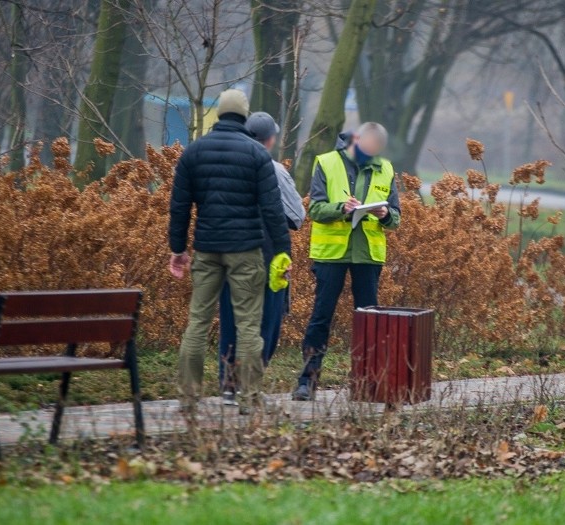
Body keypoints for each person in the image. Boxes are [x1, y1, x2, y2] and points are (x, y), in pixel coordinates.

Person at [168, 89, 291, 414]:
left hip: (207, 249)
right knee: (249, 325)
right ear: (245, 115)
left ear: (219, 114)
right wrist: (282, 252)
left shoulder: (193, 152)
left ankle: (188, 398)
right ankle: (249, 399)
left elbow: (179, 207)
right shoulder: (257, 154)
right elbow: (273, 210)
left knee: (197, 323)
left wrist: (178, 249)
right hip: (246, 250)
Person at [292, 122, 401, 401]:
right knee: (321, 317)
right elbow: (314, 208)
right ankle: (307, 382)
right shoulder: (326, 163)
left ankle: (368, 383)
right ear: (355, 141)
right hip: (332, 254)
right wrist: (342, 208)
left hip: (368, 255)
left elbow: (396, 218)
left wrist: (382, 214)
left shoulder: (386, 169)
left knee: (369, 321)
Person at [218, 112, 306, 405]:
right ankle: (250, 386)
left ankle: (228, 386)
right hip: (268, 258)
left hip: (230, 255)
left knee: (231, 321)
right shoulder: (275, 170)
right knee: (266, 323)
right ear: (270, 140)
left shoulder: (224, 167)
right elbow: (297, 216)